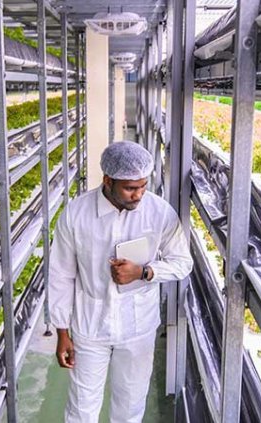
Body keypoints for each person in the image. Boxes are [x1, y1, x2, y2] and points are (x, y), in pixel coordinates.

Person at [48, 141, 193, 423]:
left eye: (143, 186)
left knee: (130, 407)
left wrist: (144, 272)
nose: (138, 194)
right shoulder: (76, 214)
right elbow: (61, 274)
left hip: (138, 327)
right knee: (81, 408)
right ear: (108, 180)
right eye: (130, 188)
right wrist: (62, 331)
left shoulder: (159, 212)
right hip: (90, 326)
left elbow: (182, 263)